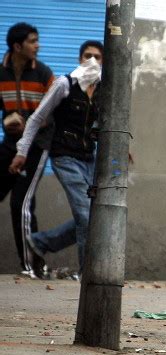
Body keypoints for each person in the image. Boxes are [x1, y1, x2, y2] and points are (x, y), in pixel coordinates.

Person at [9, 40, 104, 277]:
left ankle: (40, 242)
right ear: (79, 59)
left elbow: (104, 124)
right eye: (87, 56)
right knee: (85, 216)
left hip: (88, 158)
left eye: (97, 57)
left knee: (93, 218)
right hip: (64, 157)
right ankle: (88, 276)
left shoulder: (104, 88)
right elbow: (36, 118)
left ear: (104, 62)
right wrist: (22, 151)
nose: (91, 61)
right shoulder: (64, 84)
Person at [0, 22, 54, 278]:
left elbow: (52, 113)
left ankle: (32, 265)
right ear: (17, 46)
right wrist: (8, 121)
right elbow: (5, 110)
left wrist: (33, 120)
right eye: (33, 41)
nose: (38, 45)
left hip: (37, 146)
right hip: (10, 144)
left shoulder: (43, 73)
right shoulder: (2, 73)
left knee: (21, 203)